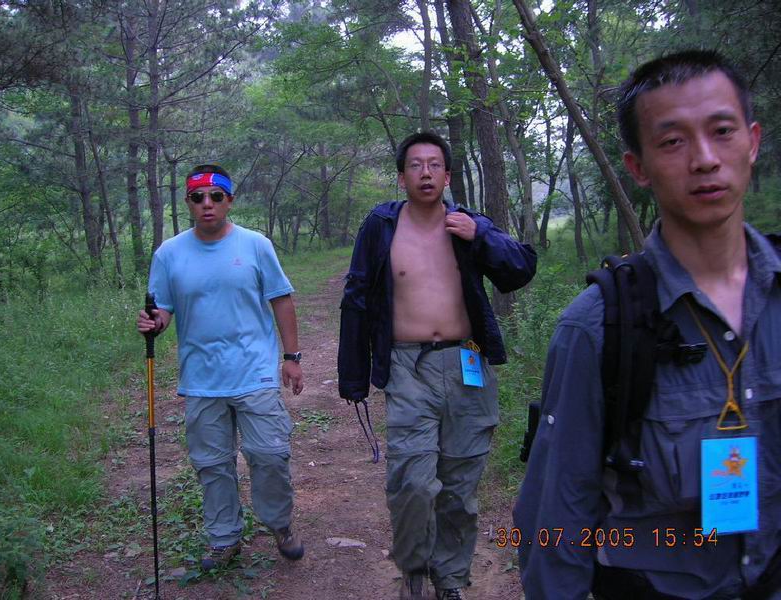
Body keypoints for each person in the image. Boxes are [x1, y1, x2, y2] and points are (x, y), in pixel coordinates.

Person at [515, 50, 781, 599]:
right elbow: (554, 524)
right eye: (673, 141)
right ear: (638, 168)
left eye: (722, 131)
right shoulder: (598, 327)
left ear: (752, 141)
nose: (705, 159)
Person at [338, 131, 537, 600]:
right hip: (407, 366)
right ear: (401, 176)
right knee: (411, 480)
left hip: (466, 362)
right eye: (415, 165)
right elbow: (357, 297)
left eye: (434, 165)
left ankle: (449, 579)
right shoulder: (382, 226)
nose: (425, 173)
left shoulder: (468, 224)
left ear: (447, 176)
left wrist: (482, 236)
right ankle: (413, 567)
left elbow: (521, 269)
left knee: (458, 487)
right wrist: (353, 375)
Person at [136, 164, 305, 570]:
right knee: (212, 465)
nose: (207, 204)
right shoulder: (169, 253)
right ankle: (224, 537)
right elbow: (163, 309)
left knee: (269, 454)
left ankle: (279, 524)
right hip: (201, 378)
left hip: (254, 372)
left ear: (229, 200)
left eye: (216, 196)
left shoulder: (255, 245)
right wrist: (154, 323)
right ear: (188, 202)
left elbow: (281, 299)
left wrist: (291, 358)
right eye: (198, 197)